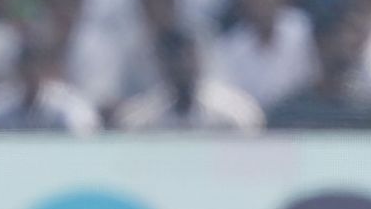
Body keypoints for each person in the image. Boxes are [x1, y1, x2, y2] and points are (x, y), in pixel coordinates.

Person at [112, 30, 264, 133]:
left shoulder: (232, 111)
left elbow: (251, 133)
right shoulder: (144, 116)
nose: (182, 66)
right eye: (174, 60)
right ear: (161, 65)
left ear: (198, 60)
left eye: (187, 58)